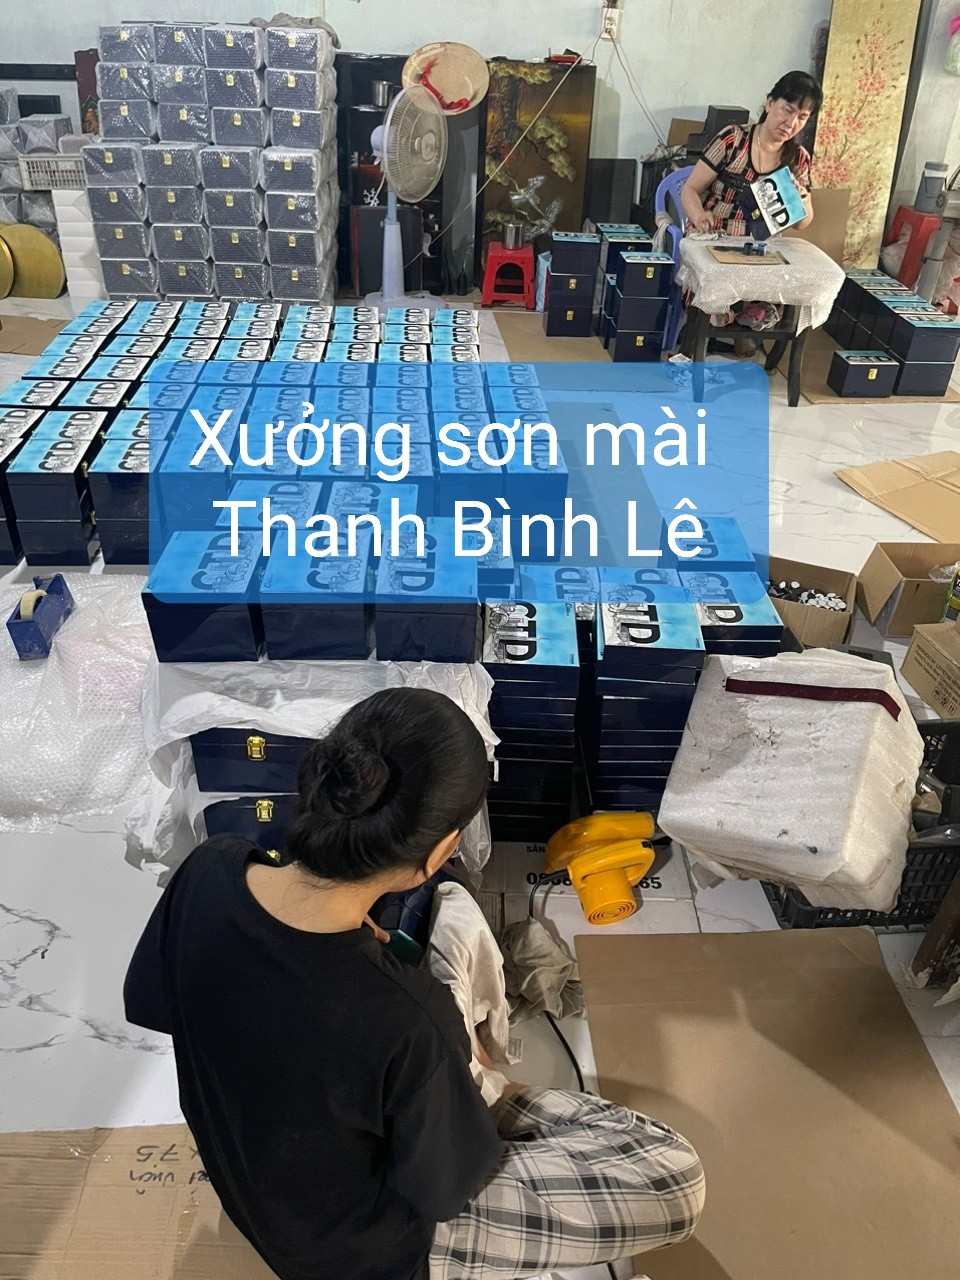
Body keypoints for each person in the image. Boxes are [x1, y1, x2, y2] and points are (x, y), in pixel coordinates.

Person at [124, 687, 705, 1280]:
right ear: (441, 849)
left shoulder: (212, 866)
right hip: (361, 1255)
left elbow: (150, 1001)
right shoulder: (407, 1015)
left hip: (253, 1179)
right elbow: (442, 1190)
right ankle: (482, 1087)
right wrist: (462, 1076)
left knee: (451, 926)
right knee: (673, 1178)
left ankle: (470, 1088)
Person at [680, 70, 822, 342]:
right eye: (787, 110)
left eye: (802, 117)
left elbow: (803, 224)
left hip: (759, 245)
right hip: (716, 235)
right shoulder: (734, 140)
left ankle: (745, 319)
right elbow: (690, 189)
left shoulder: (797, 159)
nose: (791, 123)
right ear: (770, 103)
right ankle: (721, 321)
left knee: (788, 278)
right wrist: (698, 215)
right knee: (712, 285)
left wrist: (802, 198)